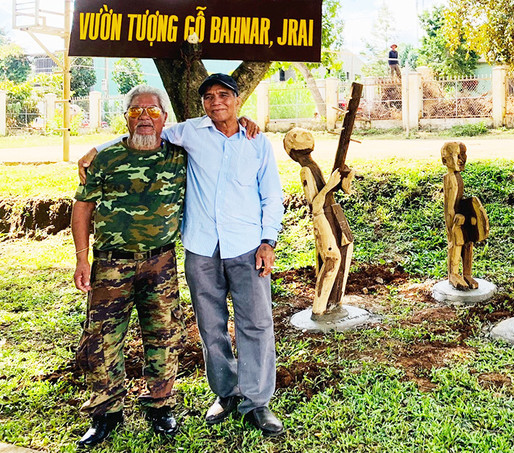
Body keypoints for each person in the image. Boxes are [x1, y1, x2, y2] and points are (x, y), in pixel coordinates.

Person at [81, 73, 285, 436]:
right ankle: (225, 393)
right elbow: (145, 130)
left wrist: (268, 241)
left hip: (247, 246)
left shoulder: (257, 142)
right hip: (202, 248)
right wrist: (98, 149)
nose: (216, 102)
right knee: (211, 327)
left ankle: (257, 402)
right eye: (209, 97)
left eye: (224, 95)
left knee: (256, 325)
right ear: (202, 104)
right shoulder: (190, 132)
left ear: (238, 100)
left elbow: (271, 196)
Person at [72, 85, 185, 448]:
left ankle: (159, 404)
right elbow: (83, 207)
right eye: (136, 111)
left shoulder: (180, 156)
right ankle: (105, 412)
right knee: (102, 338)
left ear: (165, 118)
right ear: (126, 117)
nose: (144, 117)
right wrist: (81, 258)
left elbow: (213, 130)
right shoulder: (105, 159)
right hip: (110, 265)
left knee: (164, 336)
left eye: (152, 111)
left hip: (161, 260)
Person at [283, 128, 356, 317]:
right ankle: (319, 307)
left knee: (346, 250)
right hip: (322, 215)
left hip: (332, 211)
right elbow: (314, 204)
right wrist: (330, 185)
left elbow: (336, 191)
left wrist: (345, 180)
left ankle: (335, 300)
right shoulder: (306, 171)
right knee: (332, 260)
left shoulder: (313, 166)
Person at [441, 141, 488, 290]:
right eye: (457, 156)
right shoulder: (449, 179)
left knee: (468, 243)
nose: (461, 160)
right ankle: (453, 274)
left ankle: (467, 273)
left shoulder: (458, 177)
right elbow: (449, 205)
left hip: (463, 216)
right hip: (455, 219)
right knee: (456, 244)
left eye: (463, 155)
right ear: (445, 160)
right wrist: (453, 221)